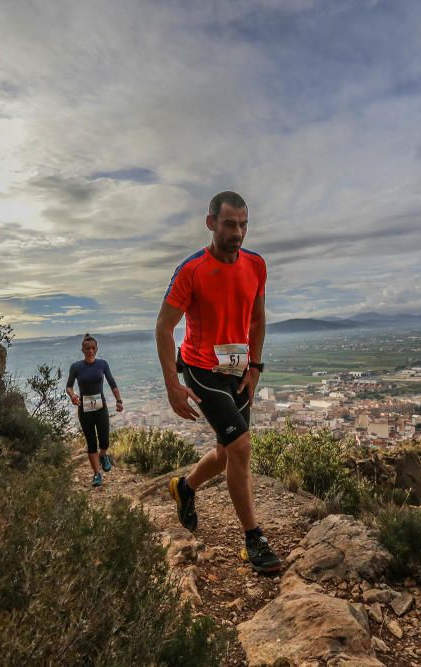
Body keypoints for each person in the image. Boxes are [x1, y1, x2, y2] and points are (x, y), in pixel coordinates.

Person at [155, 191, 282, 574]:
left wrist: (256, 367)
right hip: (201, 369)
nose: (238, 233)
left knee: (228, 453)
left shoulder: (256, 265)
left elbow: (258, 320)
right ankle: (252, 538)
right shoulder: (191, 270)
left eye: (244, 225)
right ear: (211, 223)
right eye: (230, 224)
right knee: (241, 446)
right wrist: (172, 386)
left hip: (238, 370)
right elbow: (164, 327)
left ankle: (185, 488)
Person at [66, 334, 123, 487]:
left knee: (104, 441)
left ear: (96, 349)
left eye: (93, 348)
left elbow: (112, 382)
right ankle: (97, 474)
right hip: (84, 409)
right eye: (87, 348)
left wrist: (119, 400)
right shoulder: (76, 367)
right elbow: (69, 386)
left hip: (100, 407)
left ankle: (103, 455)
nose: (90, 351)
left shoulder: (102, 364)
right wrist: (72, 395)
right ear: (82, 350)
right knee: (91, 443)